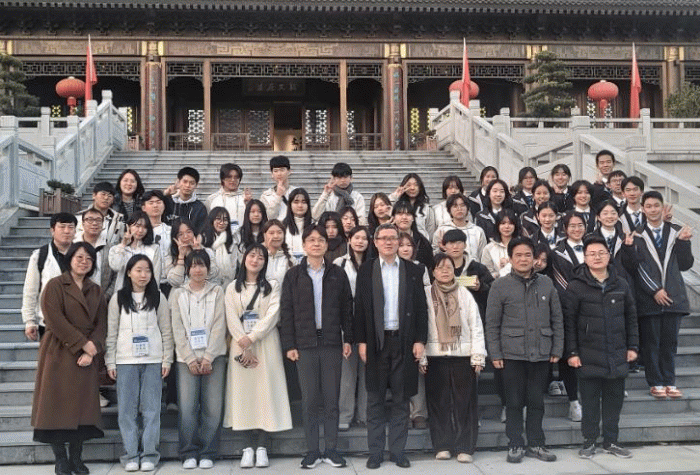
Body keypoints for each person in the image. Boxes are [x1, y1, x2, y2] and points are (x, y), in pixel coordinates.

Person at [354, 223, 429, 469]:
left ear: (399, 242)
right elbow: (359, 309)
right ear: (375, 242)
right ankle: (375, 452)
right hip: (376, 342)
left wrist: (420, 340)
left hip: (403, 341)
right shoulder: (366, 270)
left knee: (401, 399)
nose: (388, 242)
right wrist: (361, 341)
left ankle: (398, 452)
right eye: (383, 238)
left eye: (392, 238)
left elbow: (421, 308)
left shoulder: (413, 270)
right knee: (374, 399)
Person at [485, 237, 564, 464]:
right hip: (511, 353)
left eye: (527, 255)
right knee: (514, 401)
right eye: (518, 255)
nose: (523, 259)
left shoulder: (547, 284)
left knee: (537, 401)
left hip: (541, 352)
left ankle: (536, 443)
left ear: (534, 258)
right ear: (510, 258)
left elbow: (557, 319)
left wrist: (557, 348)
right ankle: (515, 443)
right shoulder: (500, 286)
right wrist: (495, 353)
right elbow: (492, 323)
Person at [280, 225, 353, 469]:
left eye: (321, 240)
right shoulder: (293, 275)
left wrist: (348, 339)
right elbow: (287, 312)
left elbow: (347, 309)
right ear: (303, 245)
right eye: (311, 240)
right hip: (305, 344)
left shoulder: (337, 273)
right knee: (310, 400)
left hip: (331, 342)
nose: (316, 243)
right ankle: (312, 450)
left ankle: (331, 449)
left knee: (332, 399)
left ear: (326, 244)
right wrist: (289, 344)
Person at [31, 242, 107, 475]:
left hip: (87, 354)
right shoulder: (55, 285)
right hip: (59, 351)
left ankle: (76, 457)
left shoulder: (95, 290)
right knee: (56, 405)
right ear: (70, 259)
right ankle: (61, 459)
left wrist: (93, 348)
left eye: (89, 259)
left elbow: (101, 324)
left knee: (82, 408)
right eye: (79, 257)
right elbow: (54, 319)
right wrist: (82, 344)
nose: (84, 262)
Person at [563, 235, 638, 460]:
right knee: (590, 402)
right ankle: (589, 441)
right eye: (592, 254)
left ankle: (611, 441)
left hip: (616, 352)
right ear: (585, 258)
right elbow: (569, 323)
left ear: (609, 255)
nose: (597, 257)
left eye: (601, 253)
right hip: (588, 355)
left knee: (614, 402)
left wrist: (633, 346)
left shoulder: (621, 284)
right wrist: (572, 352)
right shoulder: (576, 286)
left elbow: (631, 317)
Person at [225, 244, 293, 468]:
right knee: (243, 394)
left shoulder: (272, 286)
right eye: (252, 255)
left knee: (265, 392)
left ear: (265, 262)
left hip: (266, 344)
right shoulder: (231, 288)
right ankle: (247, 447)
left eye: (260, 257)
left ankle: (262, 446)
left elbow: (273, 314)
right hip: (240, 345)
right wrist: (243, 342)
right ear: (244, 258)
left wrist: (252, 338)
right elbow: (231, 317)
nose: (255, 260)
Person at [106, 254, 173, 472]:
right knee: (127, 411)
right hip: (125, 360)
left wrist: (167, 359)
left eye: (147, 270)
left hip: (153, 360)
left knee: (152, 410)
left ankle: (150, 455)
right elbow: (111, 333)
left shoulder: (158, 297)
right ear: (128, 272)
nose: (143, 275)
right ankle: (131, 454)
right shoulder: (118, 299)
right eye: (138, 270)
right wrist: (110, 362)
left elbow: (166, 331)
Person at [421, 253, 486, 464]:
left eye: (448, 267)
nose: (445, 271)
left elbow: (475, 325)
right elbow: (421, 327)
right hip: (435, 355)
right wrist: (422, 357)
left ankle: (465, 447)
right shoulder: (425, 294)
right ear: (433, 271)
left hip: (462, 355)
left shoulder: (464, 293)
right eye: (440, 267)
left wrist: (478, 355)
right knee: (438, 403)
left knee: (464, 403)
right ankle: (442, 445)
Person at [633, 191, 694, 399]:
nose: (653, 209)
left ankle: (669, 381)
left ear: (662, 207)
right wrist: (655, 290)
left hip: (674, 298)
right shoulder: (636, 235)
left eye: (656, 205)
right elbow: (637, 267)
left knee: (669, 344)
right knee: (651, 344)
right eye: (648, 206)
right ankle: (656, 382)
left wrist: (684, 243)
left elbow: (685, 265)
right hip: (649, 299)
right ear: (643, 209)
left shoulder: (676, 232)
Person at [169, 250, 227, 470]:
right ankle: (188, 452)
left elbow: (220, 325)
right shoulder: (178, 294)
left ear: (208, 269)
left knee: (213, 407)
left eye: (201, 265)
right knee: (188, 407)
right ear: (187, 269)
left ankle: (208, 452)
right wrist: (190, 358)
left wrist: (209, 356)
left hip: (214, 357)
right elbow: (177, 328)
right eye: (193, 265)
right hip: (186, 360)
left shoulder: (217, 291)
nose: (197, 269)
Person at [550, 212, 586, 420]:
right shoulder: (556, 253)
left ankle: (589, 398)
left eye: (580, 225)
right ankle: (573, 401)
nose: (576, 229)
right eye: (572, 226)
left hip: (592, 310)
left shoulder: (594, 248)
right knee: (568, 355)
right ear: (564, 229)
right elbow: (557, 282)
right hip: (567, 309)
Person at [334, 226, 370, 431]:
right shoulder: (340, 263)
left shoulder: (374, 262)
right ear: (349, 239)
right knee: (347, 371)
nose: (360, 241)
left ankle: (364, 414)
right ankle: (345, 414)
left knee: (367, 370)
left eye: (364, 238)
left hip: (369, 319)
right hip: (347, 317)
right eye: (356, 237)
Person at [22, 212, 77, 341]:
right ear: (52, 230)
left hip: (77, 323)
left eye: (71, 227)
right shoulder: (40, 256)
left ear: (75, 231)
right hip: (48, 323)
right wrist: (30, 321)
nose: (67, 231)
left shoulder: (82, 255)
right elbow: (30, 290)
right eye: (62, 227)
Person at [441, 229, 493, 322]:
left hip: (473, 318)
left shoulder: (478, 268)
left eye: (459, 243)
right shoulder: (438, 268)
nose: (455, 247)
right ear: (444, 246)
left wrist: (480, 287)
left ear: (465, 245)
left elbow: (492, 291)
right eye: (451, 243)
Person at [108, 210, 162, 292]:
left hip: (146, 294)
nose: (140, 230)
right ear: (128, 226)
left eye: (145, 227)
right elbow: (116, 266)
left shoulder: (154, 249)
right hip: (123, 293)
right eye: (137, 226)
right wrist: (123, 245)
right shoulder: (117, 249)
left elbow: (156, 276)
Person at [165, 218, 219, 288]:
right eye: (180, 234)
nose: (186, 236)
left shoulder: (208, 252)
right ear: (175, 238)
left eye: (189, 232)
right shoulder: (171, 256)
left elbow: (212, 274)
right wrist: (181, 257)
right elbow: (175, 282)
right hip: (182, 293)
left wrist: (199, 253)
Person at [432, 193, 487, 257]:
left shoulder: (478, 231)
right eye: (455, 206)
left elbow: (483, 255)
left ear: (468, 209)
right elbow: (434, 254)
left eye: (462, 205)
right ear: (449, 210)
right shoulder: (441, 230)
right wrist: (442, 249)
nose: (459, 209)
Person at [205, 163, 251, 234]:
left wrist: (249, 203)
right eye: (229, 177)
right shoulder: (212, 199)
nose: (233, 180)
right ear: (222, 179)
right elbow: (207, 223)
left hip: (242, 237)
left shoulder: (246, 198)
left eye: (236, 177)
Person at [199, 207, 239, 288]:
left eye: (225, 220)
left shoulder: (232, 241)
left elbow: (233, 266)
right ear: (212, 220)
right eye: (218, 219)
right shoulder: (202, 239)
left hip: (227, 284)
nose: (222, 223)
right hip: (206, 284)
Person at [142, 190, 172, 294]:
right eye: (151, 203)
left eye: (159, 202)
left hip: (169, 283)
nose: (155, 205)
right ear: (144, 208)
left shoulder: (171, 231)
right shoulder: (139, 232)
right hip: (145, 283)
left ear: (164, 206)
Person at [392, 201, 434, 275]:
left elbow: (429, 266)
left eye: (408, 214)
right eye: (400, 214)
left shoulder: (422, 242)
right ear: (393, 218)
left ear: (413, 218)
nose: (404, 217)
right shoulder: (388, 239)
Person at [76, 181, 123, 246]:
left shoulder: (119, 219)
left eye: (109, 196)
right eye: (103, 194)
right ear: (94, 196)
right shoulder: (79, 217)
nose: (106, 198)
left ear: (113, 200)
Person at [390, 173, 435, 239]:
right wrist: (395, 195)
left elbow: (430, 231)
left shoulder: (427, 209)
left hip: (420, 243)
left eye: (416, 185)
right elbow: (386, 209)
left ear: (420, 187)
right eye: (408, 185)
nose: (412, 188)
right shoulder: (397, 206)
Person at [164, 166, 208, 234]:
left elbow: (201, 231)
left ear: (196, 185)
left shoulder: (200, 208)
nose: (188, 185)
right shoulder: (167, 202)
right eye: (185, 182)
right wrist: (164, 195)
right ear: (178, 182)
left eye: (192, 183)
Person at [481, 209, 519, 279]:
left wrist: (510, 264)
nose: (507, 226)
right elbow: (487, 273)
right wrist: (500, 273)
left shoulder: (522, 246)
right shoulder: (489, 248)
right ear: (497, 225)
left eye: (510, 223)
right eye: (503, 223)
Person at [260, 155, 297, 221]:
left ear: (289, 171)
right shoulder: (265, 196)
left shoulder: (297, 192)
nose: (279, 174)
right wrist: (278, 196)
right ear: (272, 174)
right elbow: (268, 217)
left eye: (282, 170)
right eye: (275, 171)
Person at [261, 219, 297, 285]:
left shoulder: (290, 259)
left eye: (279, 232)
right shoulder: (258, 256)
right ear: (264, 235)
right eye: (271, 233)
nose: (276, 236)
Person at [283, 188, 313, 259]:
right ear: (290, 205)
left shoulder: (314, 225)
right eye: (296, 202)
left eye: (304, 202)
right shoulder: (282, 226)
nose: (300, 205)